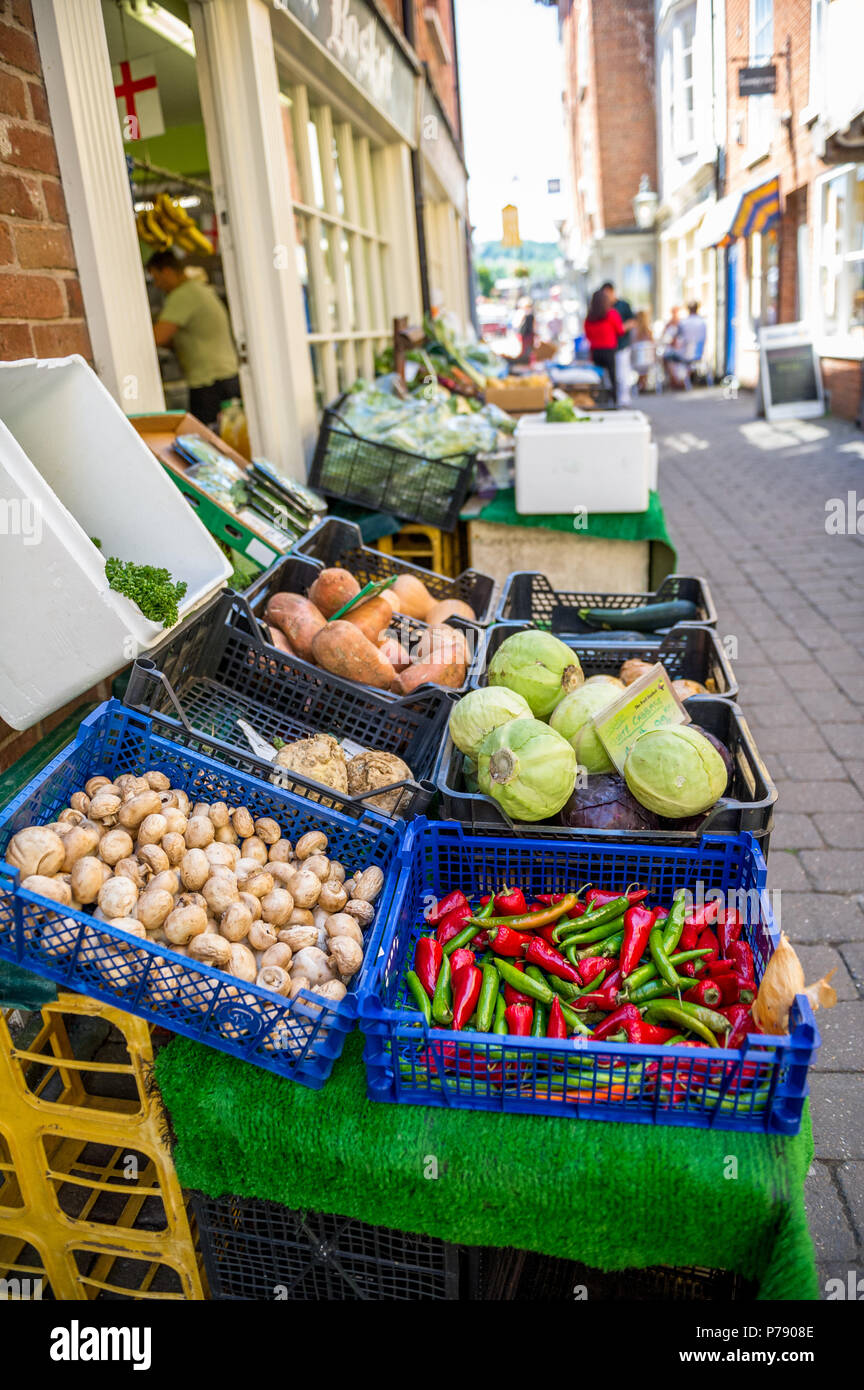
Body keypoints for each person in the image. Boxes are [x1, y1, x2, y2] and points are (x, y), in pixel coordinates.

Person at [148, 249, 241, 427]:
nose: (157, 285)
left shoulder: (183, 295)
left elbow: (156, 338)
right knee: (228, 435)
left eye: (156, 278)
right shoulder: (198, 289)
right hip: (225, 376)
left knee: (208, 443)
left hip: (210, 382)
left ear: (167, 271)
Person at [583, 288, 624, 404]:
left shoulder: (590, 317)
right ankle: (615, 401)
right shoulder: (611, 314)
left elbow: (587, 335)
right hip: (609, 350)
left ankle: (600, 400)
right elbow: (620, 331)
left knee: (598, 377)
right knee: (612, 376)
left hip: (595, 351)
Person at [601, 280, 635, 406]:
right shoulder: (603, 308)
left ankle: (624, 398)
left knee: (622, 373)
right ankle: (613, 398)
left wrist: (620, 328)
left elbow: (632, 321)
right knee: (611, 375)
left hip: (621, 344)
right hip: (608, 346)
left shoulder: (623, 305)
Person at [665, 301, 708, 388]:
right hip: (699, 354)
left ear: (688, 310)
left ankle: (676, 382)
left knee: (666, 357)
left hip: (685, 354)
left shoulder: (683, 323)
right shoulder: (703, 322)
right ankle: (683, 380)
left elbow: (675, 338)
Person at [631, 309, 655, 393]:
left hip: (636, 362)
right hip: (648, 362)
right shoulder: (649, 331)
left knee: (642, 360)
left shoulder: (633, 331)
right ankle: (642, 383)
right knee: (646, 360)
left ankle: (641, 383)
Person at [516, 297, 536, 363]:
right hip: (524, 334)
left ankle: (529, 361)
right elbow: (519, 324)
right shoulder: (524, 315)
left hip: (529, 334)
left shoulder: (531, 316)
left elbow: (534, 325)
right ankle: (524, 360)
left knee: (530, 349)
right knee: (523, 349)